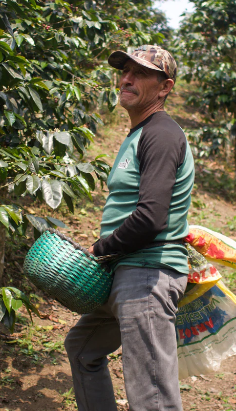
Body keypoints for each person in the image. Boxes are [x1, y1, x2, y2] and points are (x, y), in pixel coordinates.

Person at [64, 45, 195, 411]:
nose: (126, 79)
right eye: (124, 71)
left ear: (164, 87)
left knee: (152, 396)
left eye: (139, 73)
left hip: (147, 275)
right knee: (83, 348)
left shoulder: (162, 134)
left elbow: (151, 217)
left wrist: (100, 248)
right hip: (124, 272)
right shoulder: (137, 134)